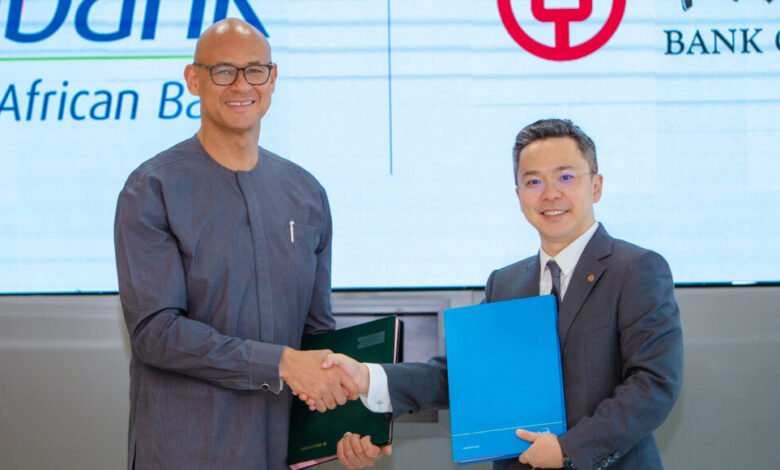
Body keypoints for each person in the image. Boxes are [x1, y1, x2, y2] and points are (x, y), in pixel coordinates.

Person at [324, 119, 684, 469]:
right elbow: (464, 375)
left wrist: (568, 450)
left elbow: (652, 385)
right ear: (518, 195)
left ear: (596, 186)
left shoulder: (636, 269)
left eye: (565, 177)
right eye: (533, 181)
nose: (550, 193)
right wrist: (368, 378)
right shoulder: (506, 284)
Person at [114, 18, 357, 470]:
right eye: (223, 71)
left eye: (255, 70)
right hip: (185, 451)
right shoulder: (152, 188)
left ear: (273, 78)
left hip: (279, 450)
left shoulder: (306, 193)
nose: (241, 85)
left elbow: (318, 334)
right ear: (194, 80)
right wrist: (280, 363)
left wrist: (348, 427)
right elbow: (155, 333)